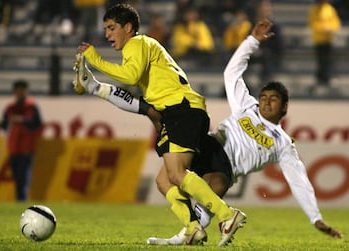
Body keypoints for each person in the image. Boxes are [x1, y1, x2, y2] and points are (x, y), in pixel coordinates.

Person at [73, 18, 342, 245]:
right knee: (165, 178)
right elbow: (231, 74)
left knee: (194, 181)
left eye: (273, 99)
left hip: (225, 168)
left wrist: (315, 217)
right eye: (264, 96)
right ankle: (198, 227)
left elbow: (299, 181)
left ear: (285, 107)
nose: (265, 101)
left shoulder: (283, 143)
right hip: (209, 144)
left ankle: (196, 228)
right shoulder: (247, 106)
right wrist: (251, 41)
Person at [74, 3, 245, 246]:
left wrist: (95, 60)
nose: (107, 34)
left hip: (182, 110)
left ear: (128, 27)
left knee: (176, 173)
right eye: (105, 29)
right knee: (164, 181)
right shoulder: (141, 51)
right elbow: (137, 102)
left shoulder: (138, 43)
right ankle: (193, 228)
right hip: (179, 111)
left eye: (112, 28)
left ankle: (227, 215)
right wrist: (94, 86)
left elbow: (129, 77)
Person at [0, 80, 43, 201]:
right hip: (13, 147)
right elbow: (3, 125)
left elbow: (37, 124)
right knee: (16, 176)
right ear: (15, 92)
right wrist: (9, 121)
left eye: (23, 90)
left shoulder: (31, 106)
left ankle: (22, 199)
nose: (20, 93)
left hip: (27, 148)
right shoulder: (10, 108)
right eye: (18, 90)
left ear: (26, 91)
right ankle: (19, 199)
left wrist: (22, 120)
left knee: (23, 176)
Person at [308, 0, 341, 94]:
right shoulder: (315, 10)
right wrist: (323, 29)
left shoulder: (330, 9)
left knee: (328, 59)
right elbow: (313, 23)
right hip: (319, 39)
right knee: (320, 60)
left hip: (328, 39)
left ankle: (328, 77)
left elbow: (336, 22)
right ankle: (320, 78)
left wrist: (331, 28)